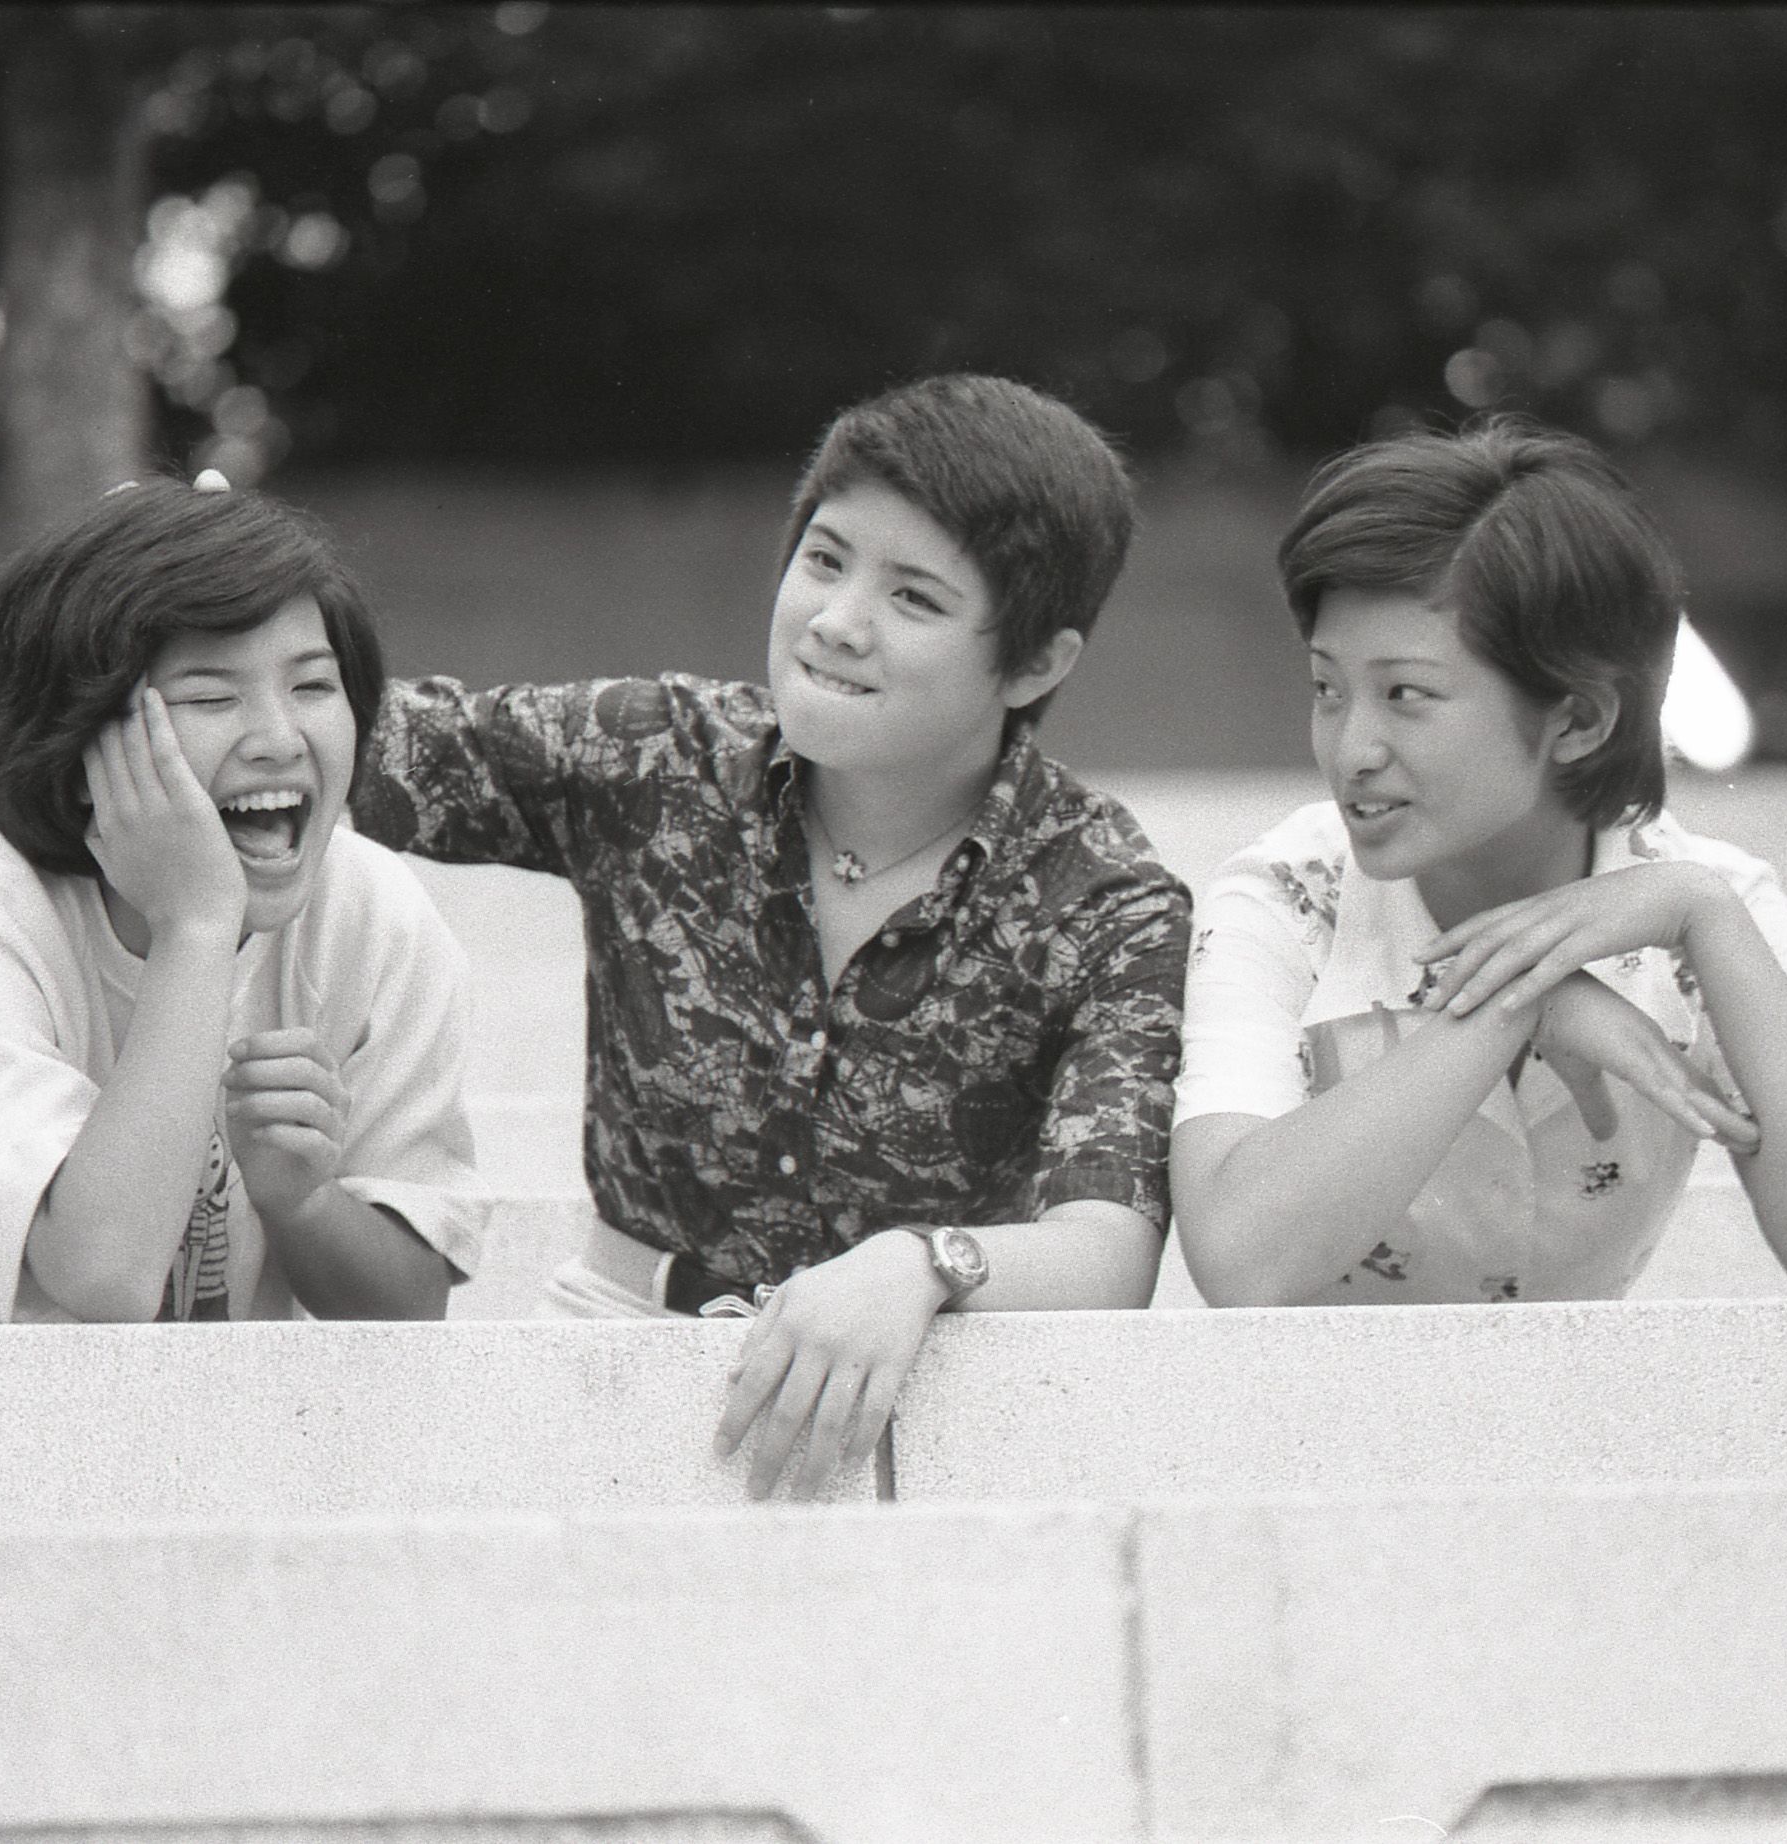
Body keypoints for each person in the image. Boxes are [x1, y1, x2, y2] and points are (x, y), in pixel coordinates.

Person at [351, 373, 1189, 1497]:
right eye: (825, 560)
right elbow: (347, 744)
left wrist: (920, 1263)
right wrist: (206, 596)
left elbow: (1109, 1248)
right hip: (610, 1352)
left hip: (935, 1403)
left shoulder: (1104, 896)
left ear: (1037, 661)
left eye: (914, 598)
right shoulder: (658, 755)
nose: (836, 621)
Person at [1171, 419, 1787, 1307]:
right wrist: (1522, 1001)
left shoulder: (1704, 906)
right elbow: (1237, 1259)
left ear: (1578, 720)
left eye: (1406, 694)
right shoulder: (1286, 899)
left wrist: (1703, 913)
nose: (1351, 749)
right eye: (1327, 689)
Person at [0, 475, 485, 1324]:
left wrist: (303, 1202)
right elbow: (103, 1277)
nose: (278, 739)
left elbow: (410, 1315)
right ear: (81, 743)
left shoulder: (374, 914)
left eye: (312, 686)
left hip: (228, 1418)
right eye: (210, 697)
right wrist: (195, 927)